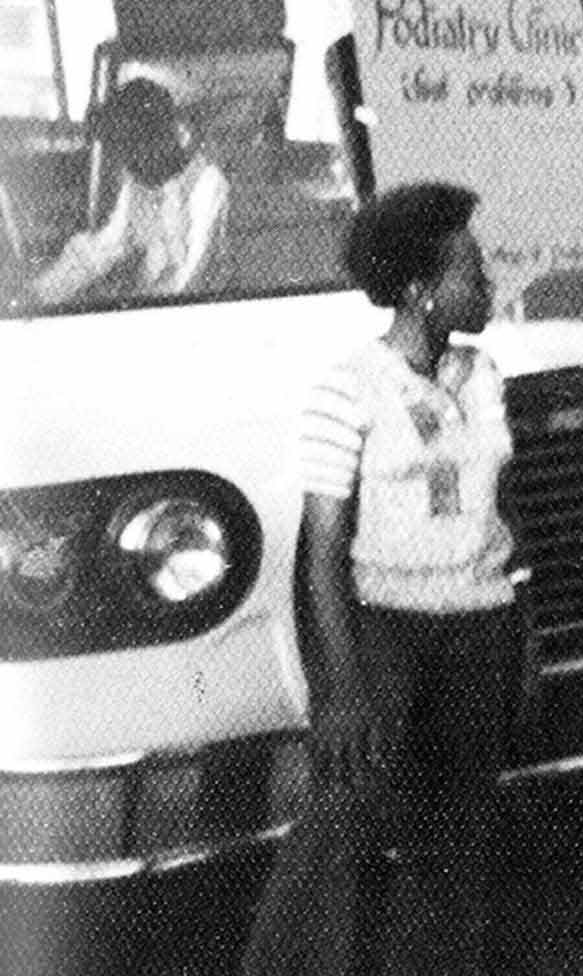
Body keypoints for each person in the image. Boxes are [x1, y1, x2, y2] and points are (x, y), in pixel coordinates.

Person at [242, 182, 530, 976]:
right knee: (342, 825)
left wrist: (522, 633)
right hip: (387, 632)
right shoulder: (347, 388)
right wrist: (342, 687)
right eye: (471, 272)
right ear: (420, 290)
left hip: (479, 626)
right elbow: (324, 550)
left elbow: (503, 511)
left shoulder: (485, 375)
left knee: (459, 834)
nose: (487, 285)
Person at [30, 77, 230, 305]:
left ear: (164, 135)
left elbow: (192, 279)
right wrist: (39, 295)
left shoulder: (208, 184)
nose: (128, 163)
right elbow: (103, 249)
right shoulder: (138, 184)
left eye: (135, 147)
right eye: (123, 150)